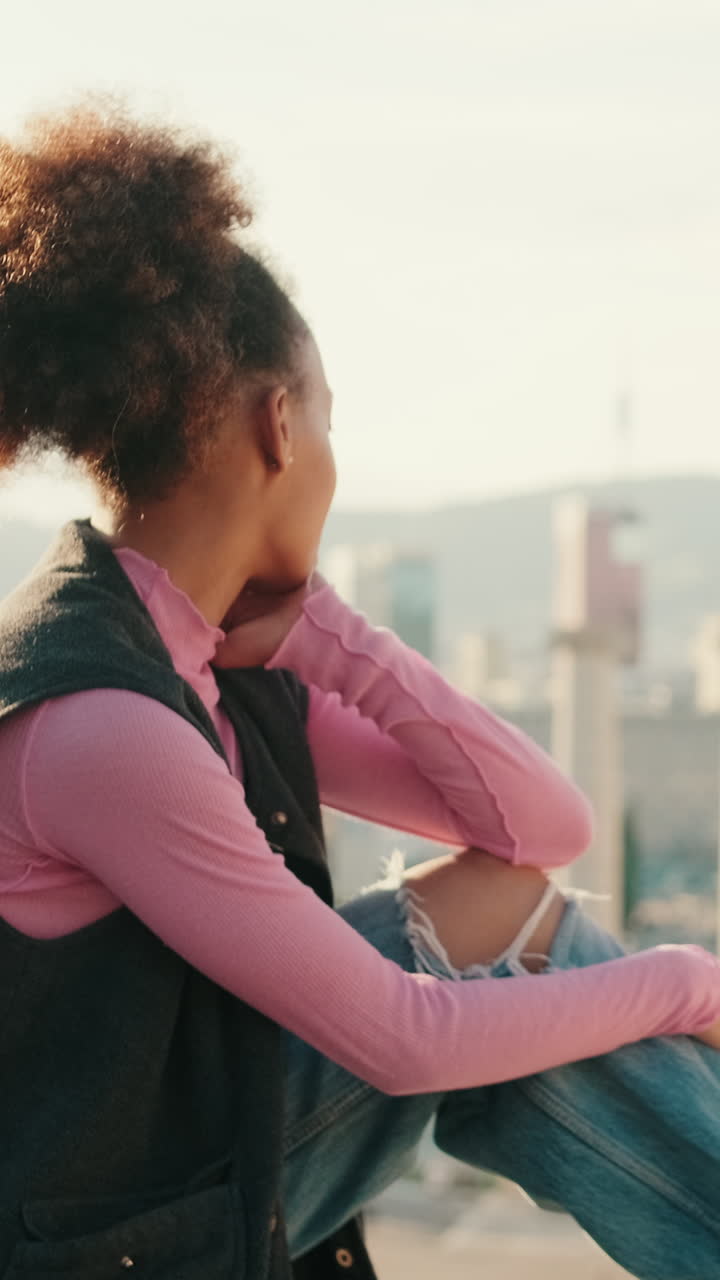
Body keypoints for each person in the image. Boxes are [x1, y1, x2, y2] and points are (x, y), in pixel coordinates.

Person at [0, 104, 718, 1280]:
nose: (337, 451)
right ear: (280, 427)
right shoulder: (102, 724)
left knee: (529, 930)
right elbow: (399, 1037)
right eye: (330, 414)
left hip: (191, 1162)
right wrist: (689, 982)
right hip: (118, 1242)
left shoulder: (205, 661)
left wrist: (334, 638)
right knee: (549, 984)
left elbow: (538, 834)